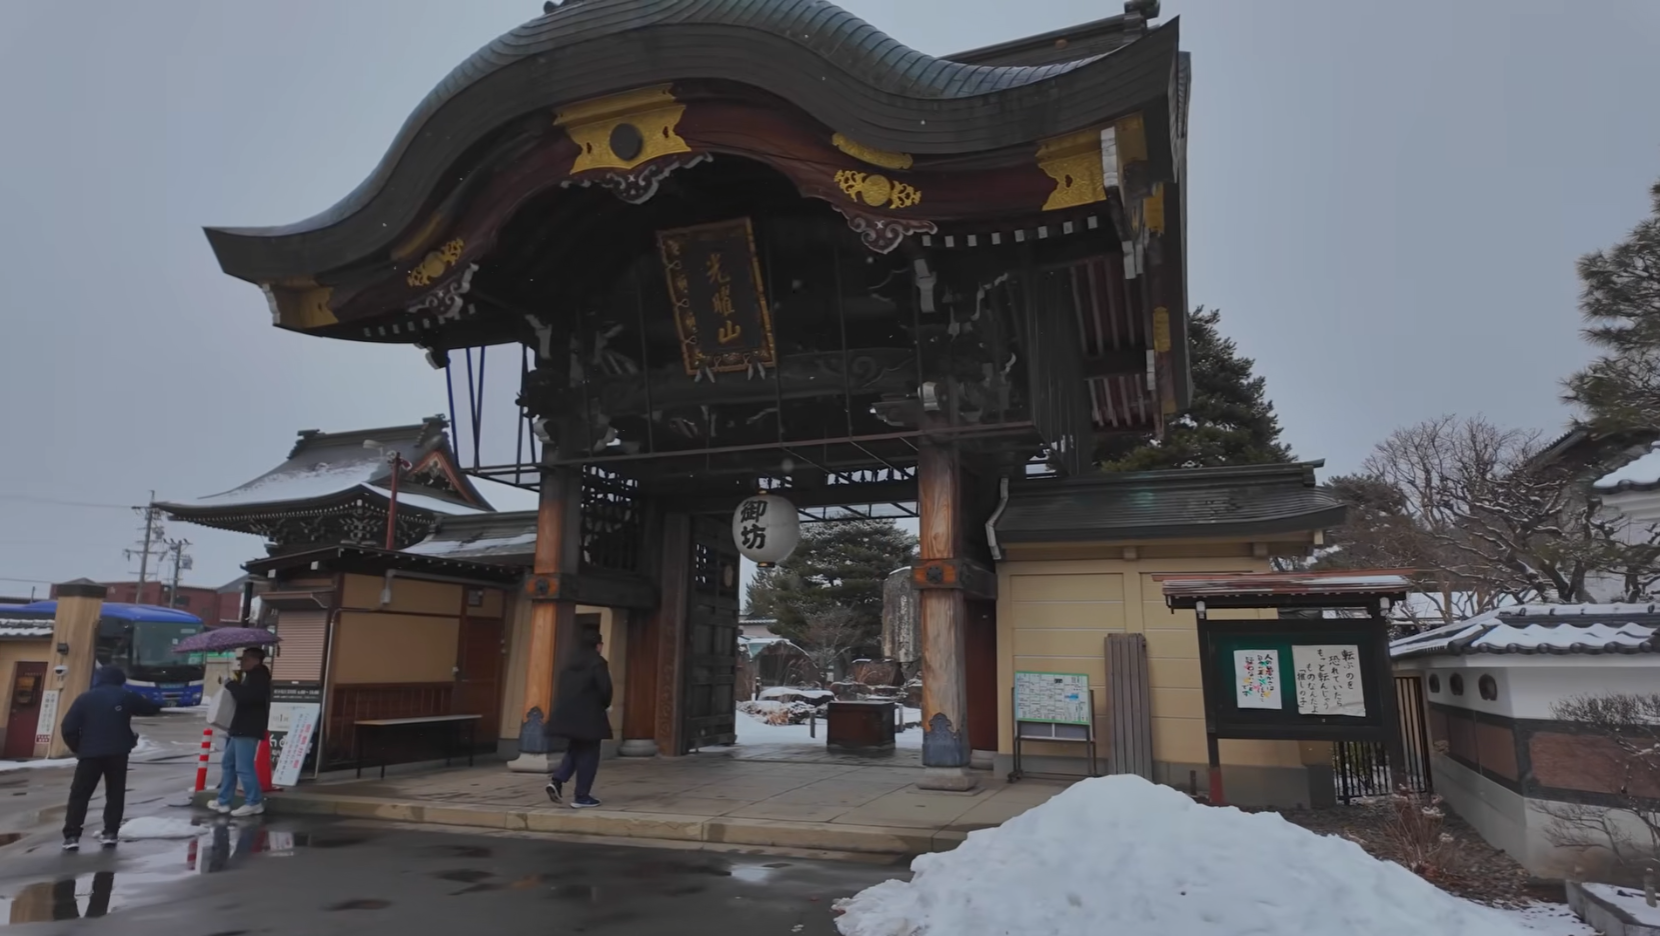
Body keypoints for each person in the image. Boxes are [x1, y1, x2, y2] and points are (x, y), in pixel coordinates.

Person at [60, 665, 162, 850]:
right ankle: (110, 832)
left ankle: (72, 836)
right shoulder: (125, 695)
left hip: (89, 755)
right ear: (119, 680)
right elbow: (151, 709)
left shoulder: (84, 698)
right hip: (118, 753)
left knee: (80, 795)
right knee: (115, 793)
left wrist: (79, 747)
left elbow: (68, 727)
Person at [544, 629, 613, 809]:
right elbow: (605, 690)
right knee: (589, 754)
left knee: (575, 749)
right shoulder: (598, 662)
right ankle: (581, 796)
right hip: (589, 716)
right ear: (598, 645)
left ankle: (557, 781)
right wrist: (604, 706)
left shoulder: (568, 663)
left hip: (566, 715)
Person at [211, 647, 271, 817]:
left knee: (244, 767)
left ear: (256, 660)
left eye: (245, 659)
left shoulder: (259, 677)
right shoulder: (252, 676)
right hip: (240, 727)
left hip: (248, 728)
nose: (242, 662)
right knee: (228, 763)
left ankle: (254, 802)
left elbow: (248, 697)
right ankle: (223, 801)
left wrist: (231, 685)